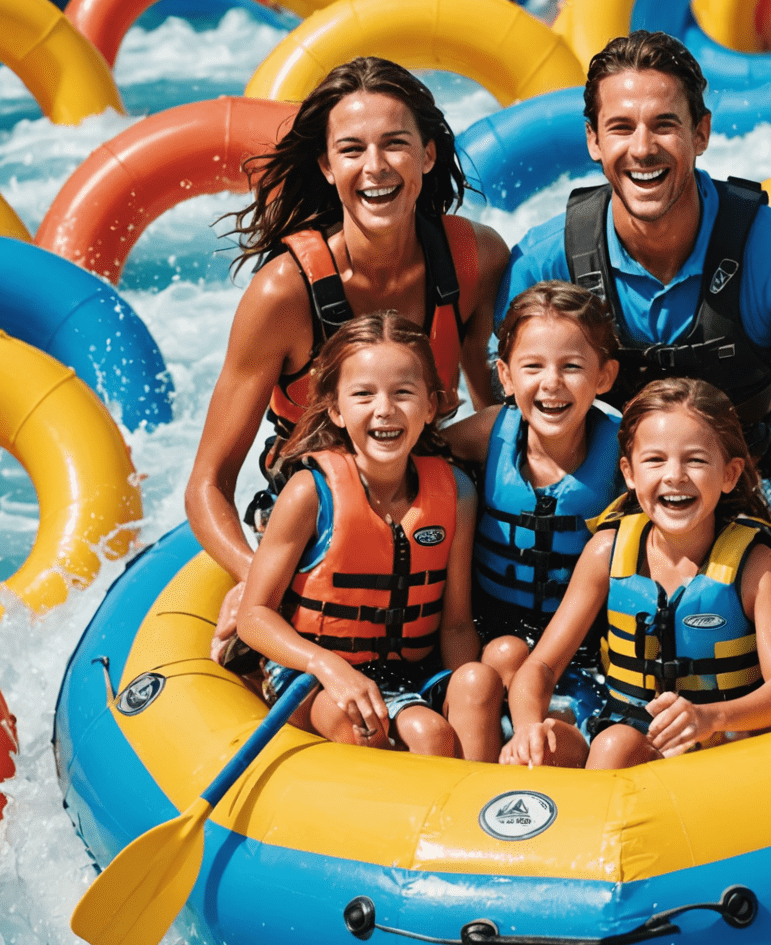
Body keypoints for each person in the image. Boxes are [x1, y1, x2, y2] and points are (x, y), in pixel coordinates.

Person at [187, 56, 507, 655]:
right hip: (312, 510)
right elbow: (207, 483)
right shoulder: (284, 294)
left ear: (428, 155)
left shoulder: (473, 259)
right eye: (352, 149)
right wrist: (252, 575)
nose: (376, 167)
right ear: (327, 167)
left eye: (395, 145)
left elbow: (502, 421)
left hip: (429, 491)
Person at [499, 30, 771, 477]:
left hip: (750, 484)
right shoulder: (543, 263)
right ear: (593, 140)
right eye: (621, 128)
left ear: (701, 132)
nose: (642, 149)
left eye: (664, 124)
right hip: (606, 497)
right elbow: (507, 423)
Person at [235, 312, 505, 758]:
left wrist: (464, 697)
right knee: (386, 727)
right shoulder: (310, 493)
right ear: (337, 410)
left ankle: (483, 812)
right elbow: (254, 616)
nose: (385, 409)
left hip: (410, 673)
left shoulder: (456, 492)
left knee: (472, 690)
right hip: (313, 676)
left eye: (403, 393)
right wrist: (328, 665)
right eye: (364, 395)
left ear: (432, 405)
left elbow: (455, 622)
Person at [503, 379, 771, 769]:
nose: (674, 475)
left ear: (729, 475)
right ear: (628, 472)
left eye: (695, 460)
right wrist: (528, 728)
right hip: (625, 732)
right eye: (655, 460)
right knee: (550, 748)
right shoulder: (606, 554)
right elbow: (540, 667)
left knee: (615, 746)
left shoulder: (756, 568)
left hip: (722, 741)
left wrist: (709, 717)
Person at [445, 282, 623, 721]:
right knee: (504, 655)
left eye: (572, 366)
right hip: (492, 629)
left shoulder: (624, 456)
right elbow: (401, 458)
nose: (551, 383)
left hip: (581, 642)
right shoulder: (491, 433)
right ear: (505, 376)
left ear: (604, 377)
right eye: (532, 366)